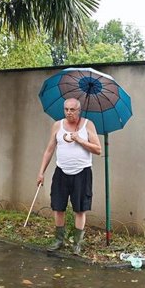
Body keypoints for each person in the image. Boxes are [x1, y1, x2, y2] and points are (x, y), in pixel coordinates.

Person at [37, 98, 102, 254]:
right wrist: (41, 172)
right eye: (66, 109)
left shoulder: (88, 125)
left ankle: (77, 243)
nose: (68, 112)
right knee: (58, 207)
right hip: (61, 171)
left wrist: (79, 139)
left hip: (82, 172)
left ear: (79, 110)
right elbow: (49, 150)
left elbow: (98, 149)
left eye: (72, 110)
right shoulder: (57, 125)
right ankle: (59, 239)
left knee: (80, 210)